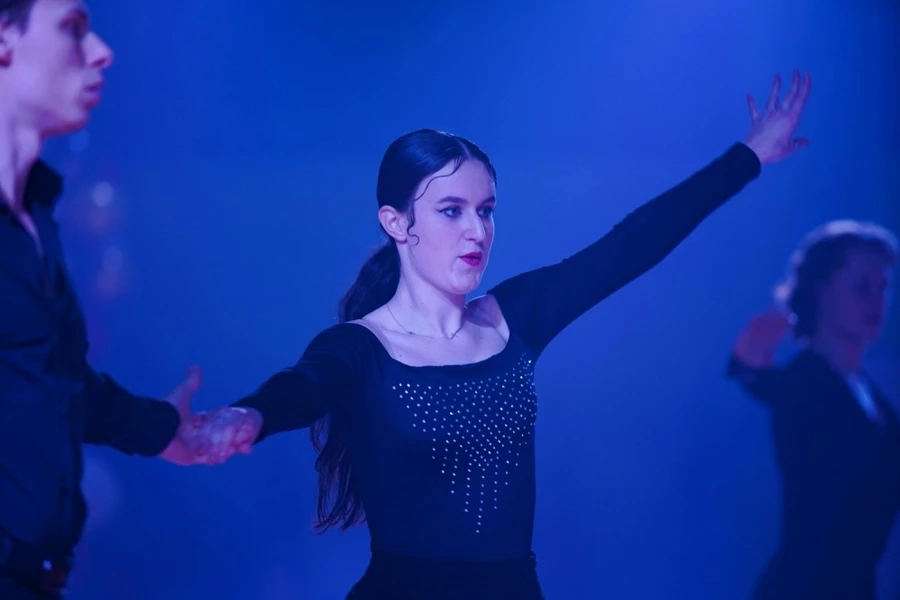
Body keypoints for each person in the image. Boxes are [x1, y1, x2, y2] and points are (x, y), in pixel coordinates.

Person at [191, 71, 811, 598]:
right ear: (396, 223)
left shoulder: (513, 318)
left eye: (486, 210)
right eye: (451, 210)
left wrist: (749, 156)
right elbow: (303, 386)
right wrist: (250, 414)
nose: (477, 231)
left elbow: (629, 246)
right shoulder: (361, 348)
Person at [0, 1, 258, 598]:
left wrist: (162, 429)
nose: (102, 52)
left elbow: (46, 379)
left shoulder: (36, 216)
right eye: (73, 29)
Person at [727, 219, 900, 600]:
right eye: (862, 287)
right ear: (821, 290)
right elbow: (767, 386)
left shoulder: (872, 396)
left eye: (883, 288)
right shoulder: (804, 384)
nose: (876, 301)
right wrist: (747, 364)